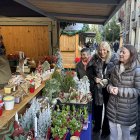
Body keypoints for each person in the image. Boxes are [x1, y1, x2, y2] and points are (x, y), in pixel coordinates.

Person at [107, 44, 140, 140]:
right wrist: (110, 88)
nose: (120, 54)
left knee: (125, 130)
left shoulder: (137, 71)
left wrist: (119, 91)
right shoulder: (116, 67)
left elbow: (137, 91)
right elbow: (110, 83)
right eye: (120, 51)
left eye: (123, 52)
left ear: (131, 55)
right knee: (112, 127)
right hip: (112, 105)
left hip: (126, 109)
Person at [92, 41, 118, 138]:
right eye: (100, 50)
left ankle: (106, 130)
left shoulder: (114, 59)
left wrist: (108, 80)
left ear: (108, 50)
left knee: (108, 109)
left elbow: (116, 75)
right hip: (98, 88)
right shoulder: (95, 58)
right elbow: (90, 72)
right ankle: (97, 127)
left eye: (104, 50)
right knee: (98, 108)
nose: (102, 52)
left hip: (108, 88)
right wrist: (95, 78)